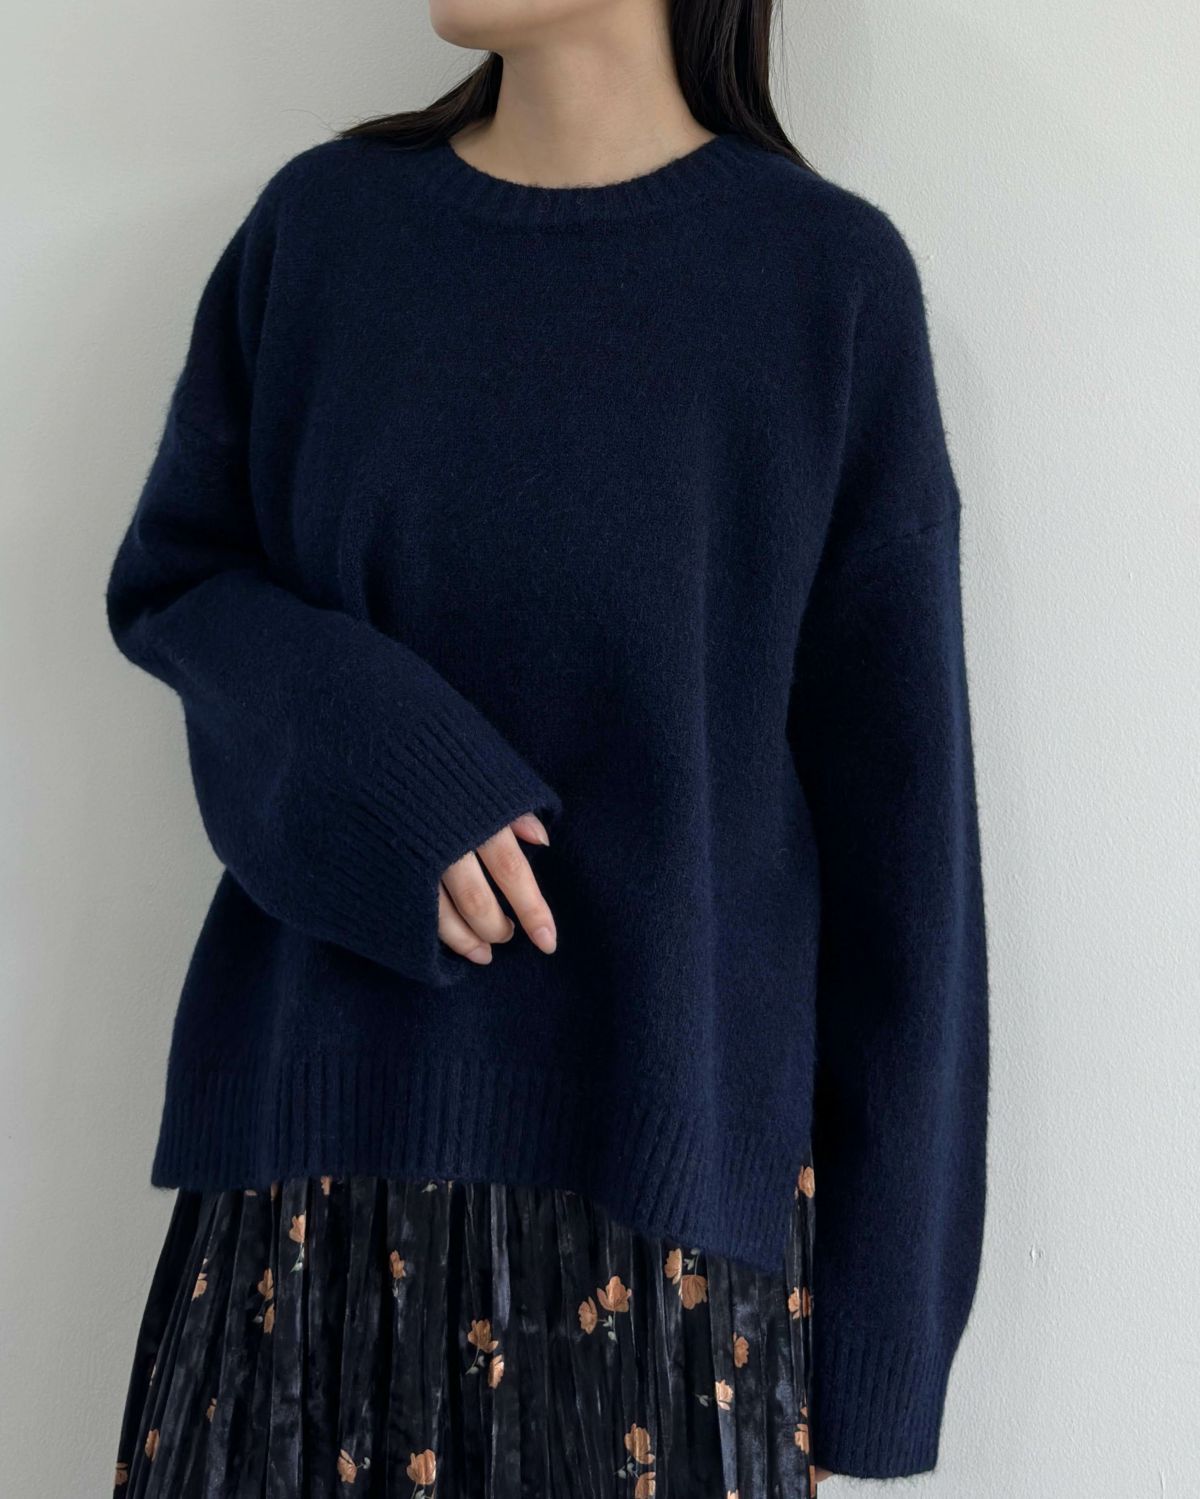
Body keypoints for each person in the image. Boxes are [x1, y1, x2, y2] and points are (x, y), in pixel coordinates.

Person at [105, 0, 990, 1493]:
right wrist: (387, 769)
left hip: (665, 1263)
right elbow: (179, 584)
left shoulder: (822, 284)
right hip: (313, 1222)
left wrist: (874, 1364)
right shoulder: (325, 235)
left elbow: (907, 871)